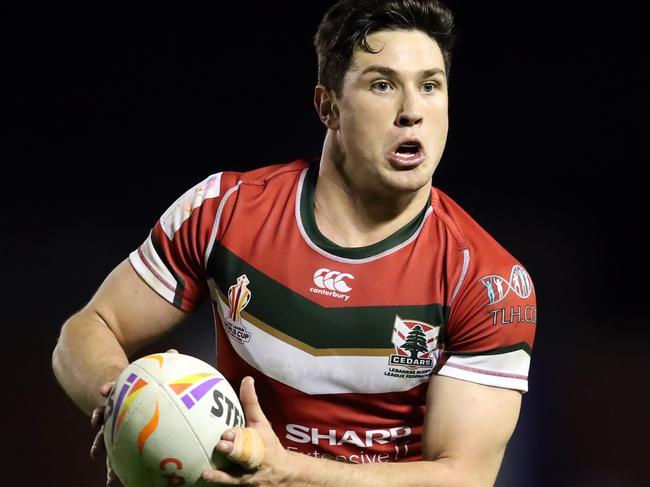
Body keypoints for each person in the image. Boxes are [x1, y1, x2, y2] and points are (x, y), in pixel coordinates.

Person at [52, 0, 537, 485]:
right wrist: (127, 403)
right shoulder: (225, 211)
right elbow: (89, 328)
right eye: (383, 85)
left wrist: (288, 474)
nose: (412, 112)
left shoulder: (487, 281)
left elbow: (463, 477)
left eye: (430, 86)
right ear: (328, 106)